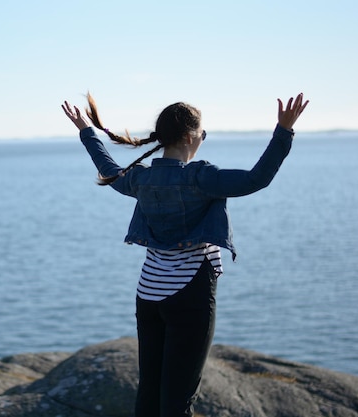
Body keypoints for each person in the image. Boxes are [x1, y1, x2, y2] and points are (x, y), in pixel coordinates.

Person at [61, 93, 309, 417]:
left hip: (148, 293)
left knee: (149, 392)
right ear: (192, 136)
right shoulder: (201, 178)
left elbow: (107, 167)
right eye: (203, 134)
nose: (203, 140)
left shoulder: (140, 178)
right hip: (190, 293)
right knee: (179, 401)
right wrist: (284, 131)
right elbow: (255, 178)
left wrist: (86, 130)